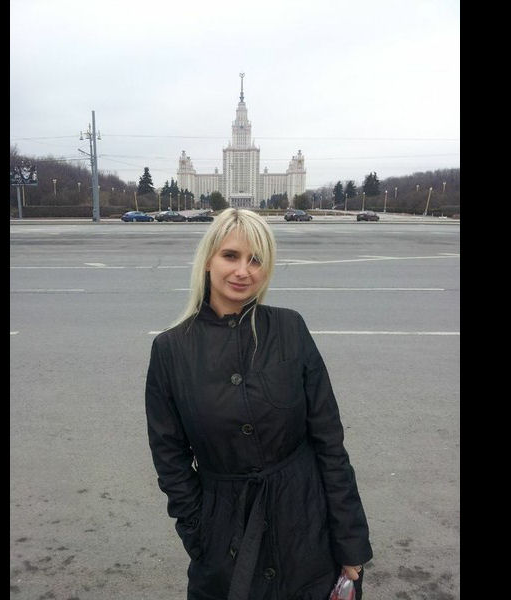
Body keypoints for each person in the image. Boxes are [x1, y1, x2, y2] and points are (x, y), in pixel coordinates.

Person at [145, 208, 373, 600]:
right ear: (208, 260)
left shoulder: (290, 329)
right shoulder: (171, 350)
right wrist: (200, 534)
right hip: (225, 540)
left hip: (306, 529)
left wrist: (350, 542)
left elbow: (329, 444)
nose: (243, 271)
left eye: (255, 260)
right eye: (230, 256)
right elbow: (170, 458)